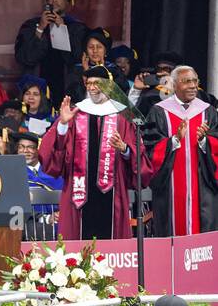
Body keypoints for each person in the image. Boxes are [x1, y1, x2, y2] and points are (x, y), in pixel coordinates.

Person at [39, 65, 142, 239]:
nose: (93, 87)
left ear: (108, 86)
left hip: (113, 193)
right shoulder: (75, 113)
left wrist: (124, 149)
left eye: (97, 83)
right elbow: (52, 154)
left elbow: (139, 156)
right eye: (89, 83)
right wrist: (62, 125)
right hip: (78, 192)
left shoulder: (123, 115)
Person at [144, 65, 218, 237]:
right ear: (175, 85)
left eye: (195, 81)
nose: (192, 86)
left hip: (203, 188)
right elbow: (150, 149)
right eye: (186, 81)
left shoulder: (209, 111)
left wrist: (205, 141)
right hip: (169, 188)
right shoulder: (159, 112)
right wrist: (174, 140)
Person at [14, 0, 87, 108]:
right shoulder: (30, 25)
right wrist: (41, 28)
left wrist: (62, 29)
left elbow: (76, 58)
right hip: (37, 88)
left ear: (68, 2)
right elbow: (25, 58)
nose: (54, 0)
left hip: (67, 87)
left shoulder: (77, 28)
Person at [63, 27, 128, 105]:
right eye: (91, 47)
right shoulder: (76, 71)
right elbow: (76, 98)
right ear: (85, 51)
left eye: (99, 47)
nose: (95, 51)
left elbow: (120, 98)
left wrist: (102, 72)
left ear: (105, 51)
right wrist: (86, 72)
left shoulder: (114, 71)